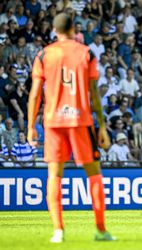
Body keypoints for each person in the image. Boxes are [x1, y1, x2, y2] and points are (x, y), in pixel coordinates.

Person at [27, 13, 116, 243]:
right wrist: (102, 126)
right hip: (80, 121)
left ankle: (58, 231)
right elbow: (94, 93)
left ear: (55, 31)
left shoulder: (44, 54)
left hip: (54, 122)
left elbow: (35, 94)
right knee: (94, 174)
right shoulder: (86, 53)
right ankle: (100, 229)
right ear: (74, 30)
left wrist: (30, 127)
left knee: (54, 176)